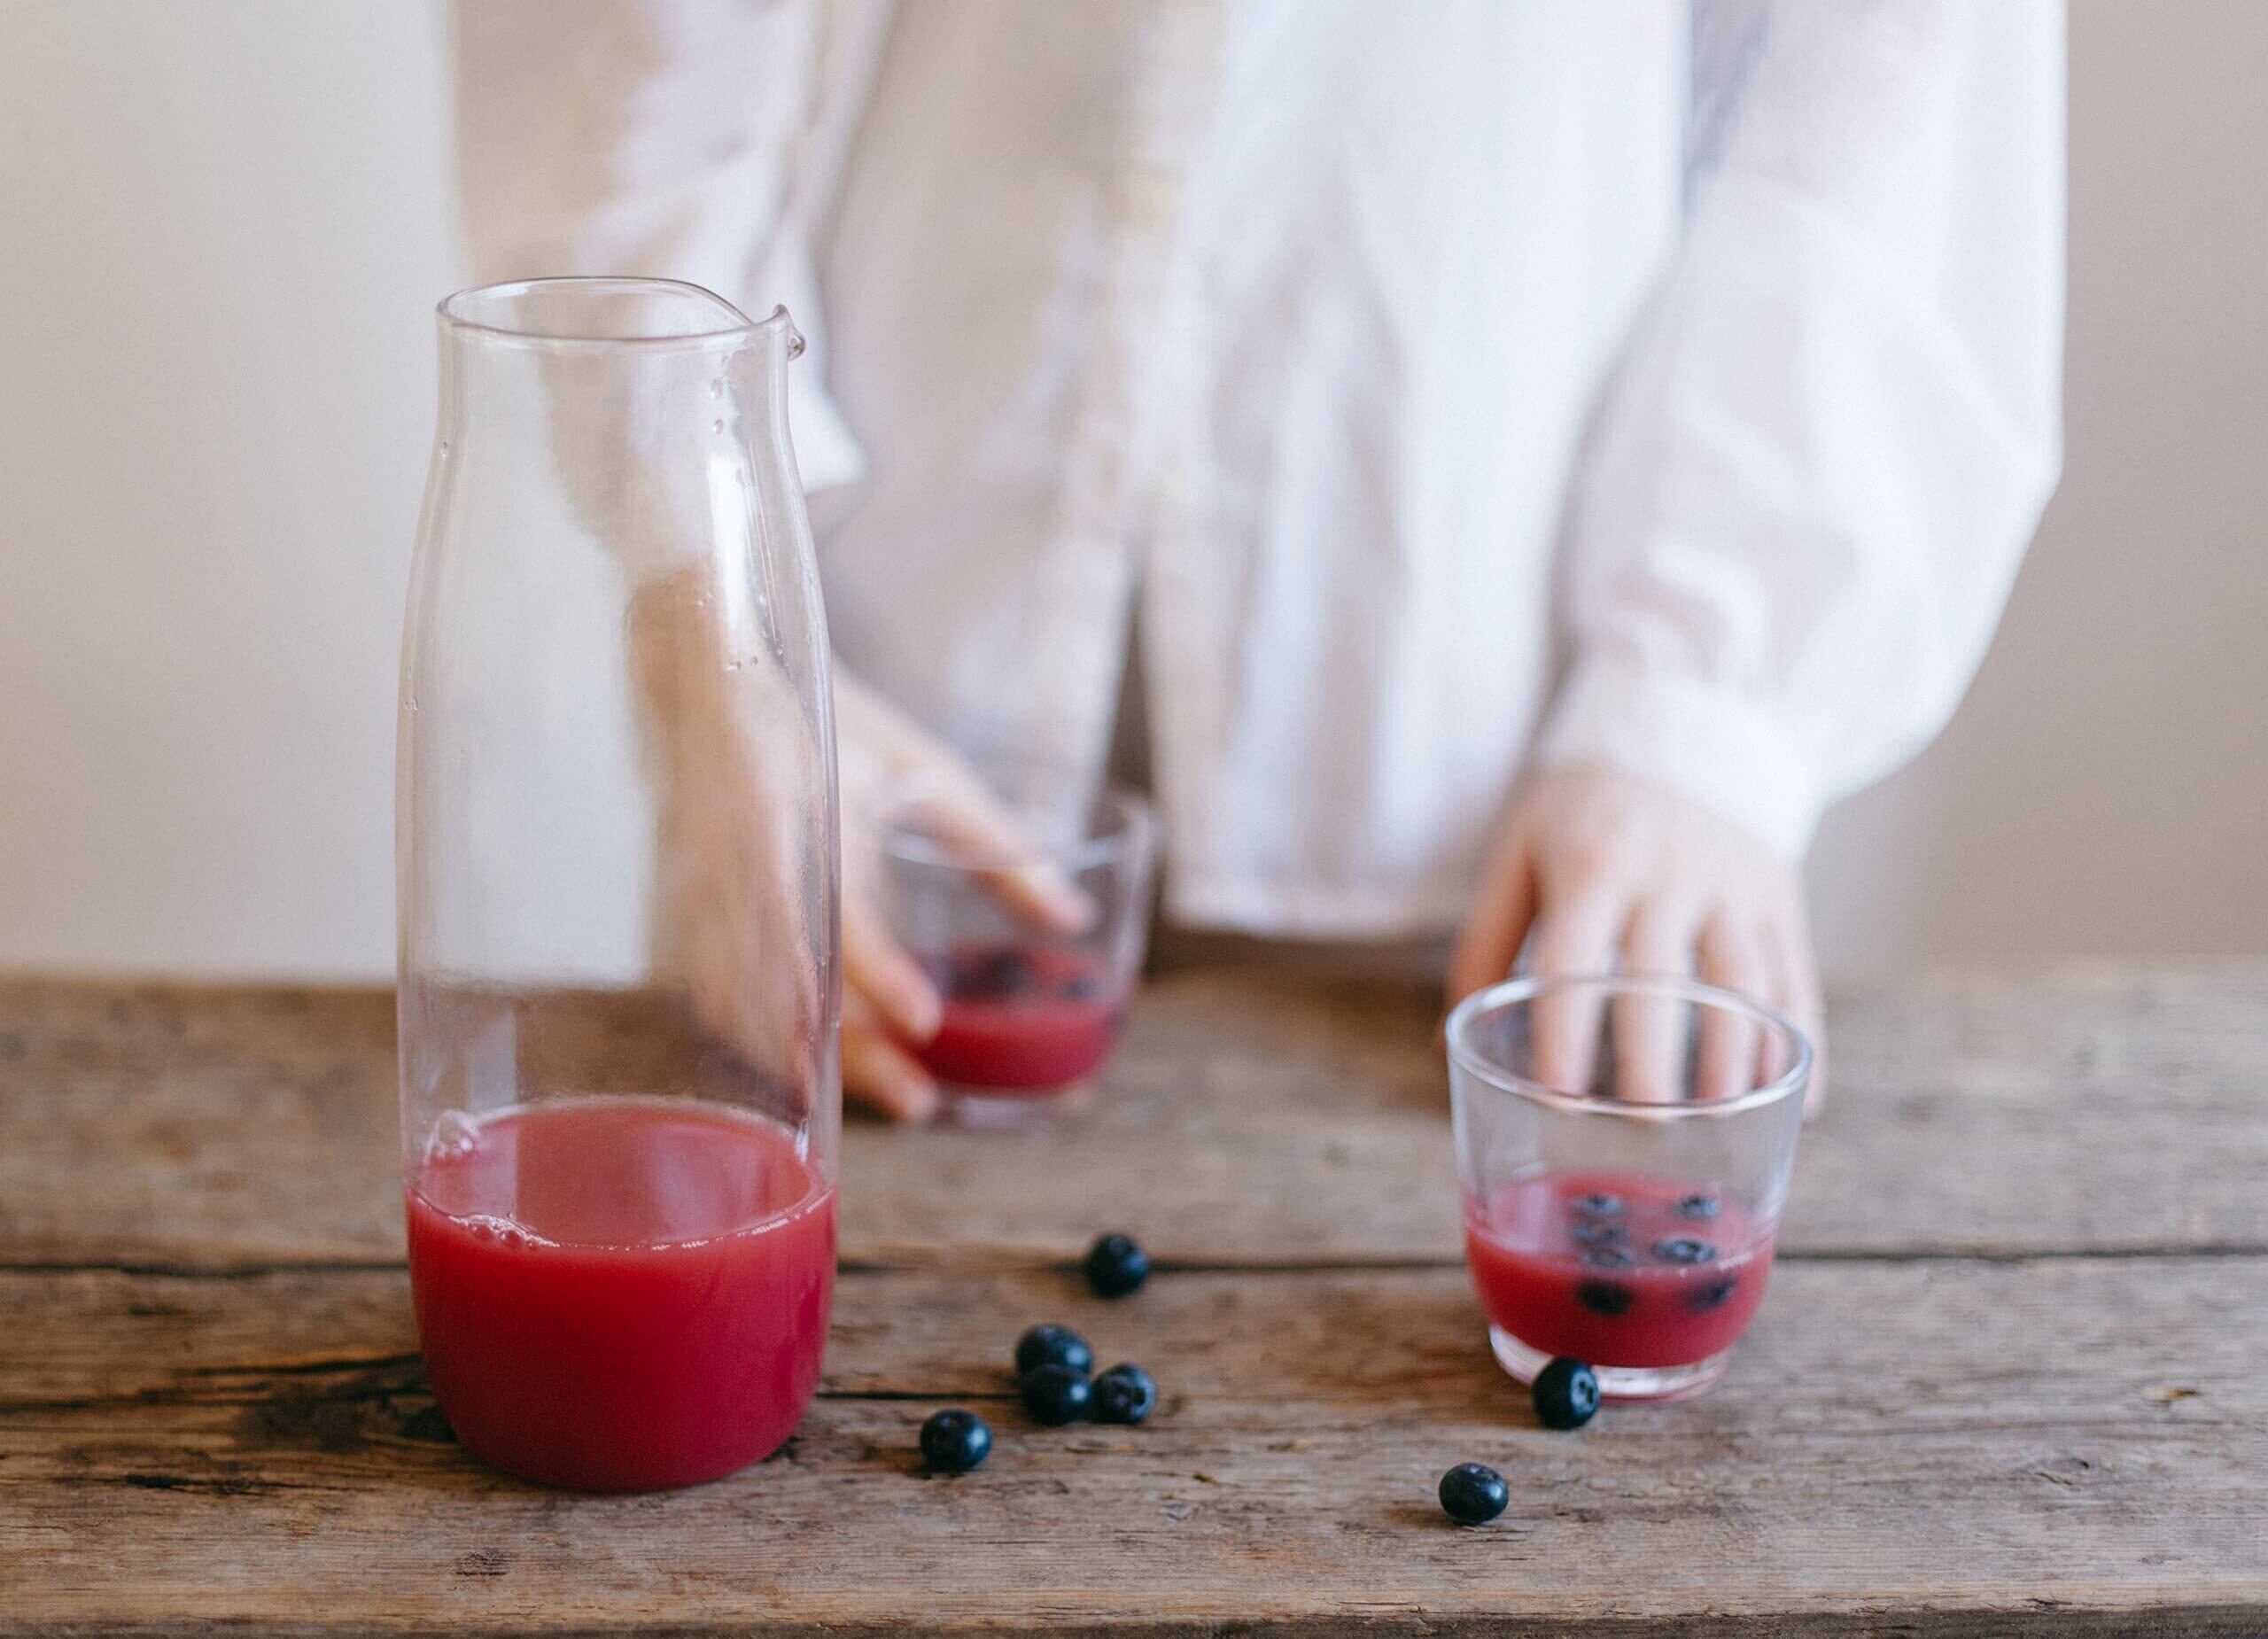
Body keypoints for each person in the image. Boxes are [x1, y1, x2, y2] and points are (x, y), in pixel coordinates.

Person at [454, 0, 2063, 1119]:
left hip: (1501, 816)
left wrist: (1700, 705)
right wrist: (709, 595)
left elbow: (1883, 58)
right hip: (844, 739)